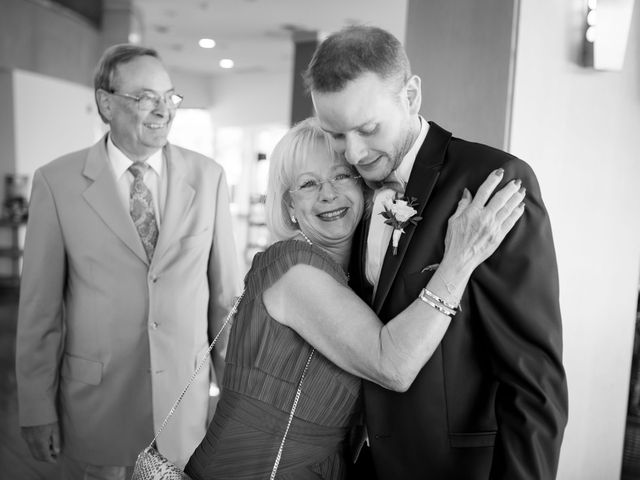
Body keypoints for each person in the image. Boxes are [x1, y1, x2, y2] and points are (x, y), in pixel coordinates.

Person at [184, 117, 525, 479]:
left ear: (364, 188)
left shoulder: (356, 280)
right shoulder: (292, 265)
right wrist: (461, 259)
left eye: (341, 176)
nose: (328, 193)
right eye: (308, 184)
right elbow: (392, 366)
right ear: (289, 206)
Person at [304, 25, 568, 480]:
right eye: (335, 133)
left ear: (410, 95)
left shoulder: (491, 181)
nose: (354, 153)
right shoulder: (347, 189)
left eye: (368, 129)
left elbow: (534, 381)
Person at [15, 44, 241, 479]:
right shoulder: (56, 183)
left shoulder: (208, 177)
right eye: (145, 97)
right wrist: (35, 408)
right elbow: (39, 311)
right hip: (100, 399)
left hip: (184, 399)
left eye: (169, 96)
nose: (163, 109)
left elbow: (225, 300)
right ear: (106, 102)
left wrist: (234, 397)